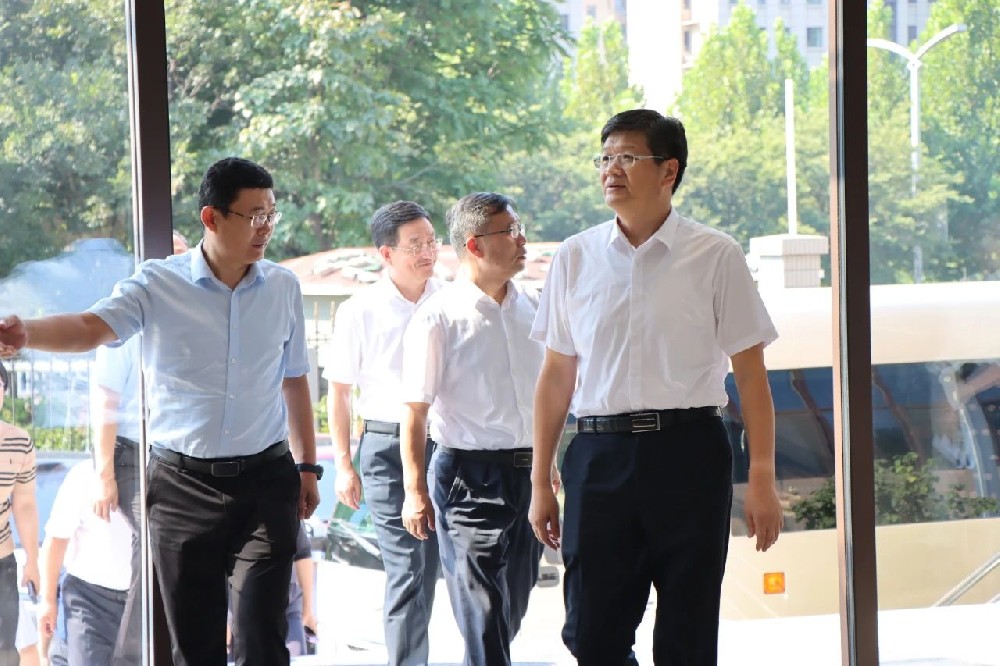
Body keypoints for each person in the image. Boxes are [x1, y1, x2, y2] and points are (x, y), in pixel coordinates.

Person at [0, 157, 321, 666]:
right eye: (254, 215)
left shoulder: (283, 287)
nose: (265, 228)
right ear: (212, 217)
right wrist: (27, 333)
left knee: (262, 638)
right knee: (194, 645)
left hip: (266, 481)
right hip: (181, 489)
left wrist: (307, 466)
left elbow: (295, 378)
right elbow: (89, 327)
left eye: (271, 215)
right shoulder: (157, 284)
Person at [528, 108, 783, 665]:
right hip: (599, 456)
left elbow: (751, 375)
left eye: (627, 157)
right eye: (604, 158)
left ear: (669, 170)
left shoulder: (715, 254)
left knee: (687, 635)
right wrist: (540, 479)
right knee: (591, 635)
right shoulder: (575, 256)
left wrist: (762, 477)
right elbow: (555, 376)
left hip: (689, 454)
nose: (610, 170)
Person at [400, 192, 545, 666]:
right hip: (467, 478)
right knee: (483, 615)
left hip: (530, 475)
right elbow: (415, 411)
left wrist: (548, 469)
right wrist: (414, 491)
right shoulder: (438, 316)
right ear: (475, 245)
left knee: (511, 610)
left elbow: (548, 398)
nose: (522, 240)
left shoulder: (534, 307)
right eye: (510, 231)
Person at [323, 200, 442, 665]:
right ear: (386, 253)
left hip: (447, 444)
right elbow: (339, 392)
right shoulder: (360, 310)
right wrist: (344, 466)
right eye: (415, 245)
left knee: (443, 566)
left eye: (431, 241)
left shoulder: (451, 299)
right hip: (387, 447)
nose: (428, 252)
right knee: (408, 566)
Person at [90, 231, 189, 666]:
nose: (181, 265)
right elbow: (104, 399)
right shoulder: (127, 310)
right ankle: (132, 659)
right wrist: (104, 476)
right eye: (173, 256)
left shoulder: (194, 312)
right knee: (154, 540)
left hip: (178, 452)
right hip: (131, 453)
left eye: (184, 256)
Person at [37, 460, 132, 665]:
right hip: (88, 600)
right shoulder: (83, 475)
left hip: (138, 600)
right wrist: (48, 600)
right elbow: (55, 541)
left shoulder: (149, 471)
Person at [0, 362, 39, 666]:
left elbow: (24, 504)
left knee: (5, 651)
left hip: (2, 562)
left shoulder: (20, 441)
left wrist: (33, 562)